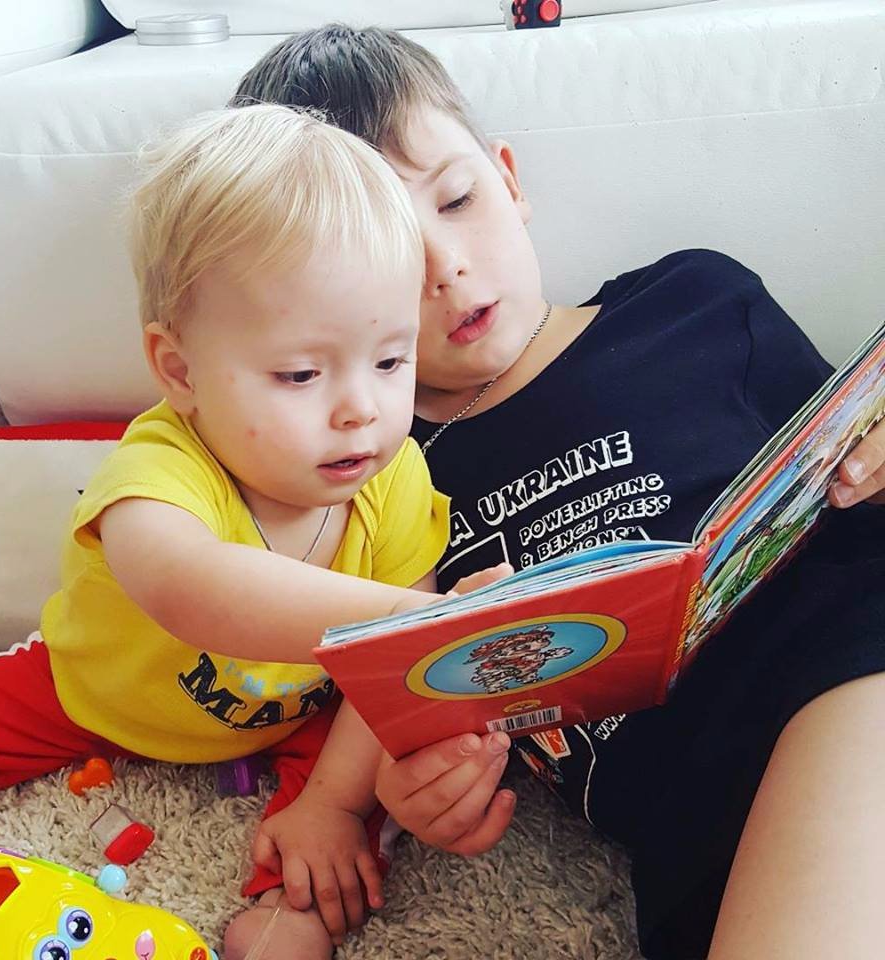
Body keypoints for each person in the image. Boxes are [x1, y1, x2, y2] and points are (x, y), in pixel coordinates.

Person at [229, 25, 885, 960]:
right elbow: (400, 678)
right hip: (687, 835)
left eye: (457, 200)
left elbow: (850, 462)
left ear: (508, 179)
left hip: (845, 658)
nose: (444, 268)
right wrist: (409, 792)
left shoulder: (691, 302)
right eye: (384, 256)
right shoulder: (373, 472)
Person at [0, 104, 510, 960]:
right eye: (302, 374)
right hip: (93, 690)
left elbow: (382, 682)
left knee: (368, 777)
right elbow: (187, 585)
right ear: (181, 370)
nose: (362, 408)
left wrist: (334, 801)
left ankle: (288, 913)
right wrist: (411, 622)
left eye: (391, 359)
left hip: (301, 713)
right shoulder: (161, 464)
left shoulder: (394, 475)